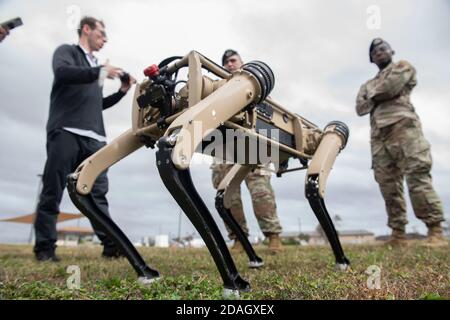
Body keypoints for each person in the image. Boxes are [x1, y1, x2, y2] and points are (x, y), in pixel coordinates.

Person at [34, 16, 137, 261]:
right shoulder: (66, 52)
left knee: (96, 193)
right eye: (101, 33)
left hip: (95, 138)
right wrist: (100, 70)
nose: (105, 39)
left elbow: (96, 104)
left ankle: (111, 246)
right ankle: (45, 248)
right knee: (53, 189)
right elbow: (62, 73)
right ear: (87, 30)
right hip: (66, 131)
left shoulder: (94, 67)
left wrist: (122, 92)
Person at [356, 38, 447, 247]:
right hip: (378, 137)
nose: (379, 52)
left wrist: (373, 96)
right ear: (371, 59)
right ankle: (398, 234)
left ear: (391, 51)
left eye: (382, 48)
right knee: (387, 184)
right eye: (374, 52)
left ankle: (435, 230)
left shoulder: (402, 67)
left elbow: (391, 87)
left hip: (404, 129)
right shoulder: (366, 84)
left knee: (417, 175)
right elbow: (360, 108)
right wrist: (377, 94)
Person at [211, 49, 283, 254]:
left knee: (260, 190)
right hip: (225, 144)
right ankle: (238, 238)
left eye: (233, 60)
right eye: (225, 63)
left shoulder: (257, 85)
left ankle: (273, 236)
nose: (229, 64)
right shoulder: (219, 88)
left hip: (253, 141)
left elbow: (269, 115)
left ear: (242, 63)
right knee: (226, 193)